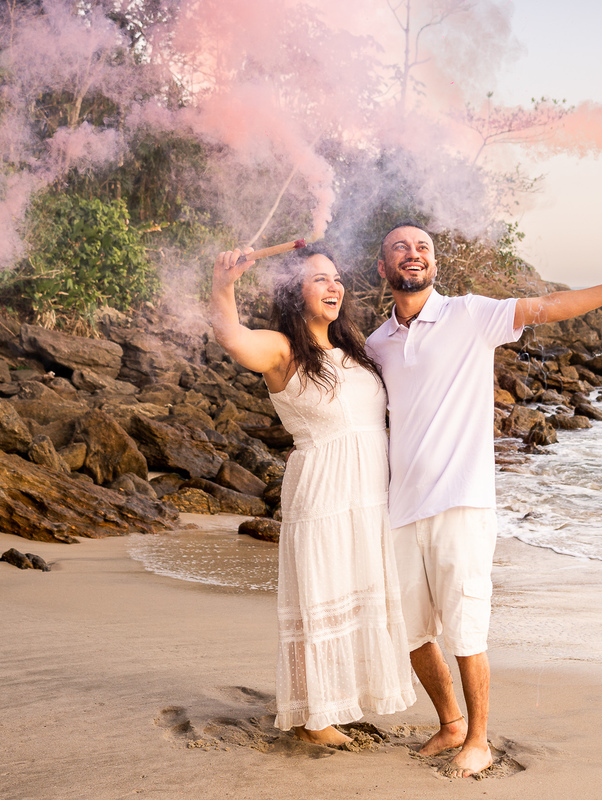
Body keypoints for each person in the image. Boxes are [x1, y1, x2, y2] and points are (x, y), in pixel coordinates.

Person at [366, 222, 602, 777]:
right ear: (383, 268)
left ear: (434, 264)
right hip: (400, 506)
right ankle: (450, 722)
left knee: (466, 627)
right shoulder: (376, 344)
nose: (414, 253)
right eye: (401, 247)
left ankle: (478, 739)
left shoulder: (470, 315)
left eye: (423, 247)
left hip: (462, 501)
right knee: (410, 631)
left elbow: (548, 306)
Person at [210, 244, 416, 747]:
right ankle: (314, 719)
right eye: (318, 279)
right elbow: (233, 339)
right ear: (293, 293)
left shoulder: (355, 351)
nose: (333, 287)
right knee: (321, 598)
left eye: (336, 278)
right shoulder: (282, 350)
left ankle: (339, 704)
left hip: (369, 495)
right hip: (323, 493)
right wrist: (224, 283)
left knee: (358, 593)